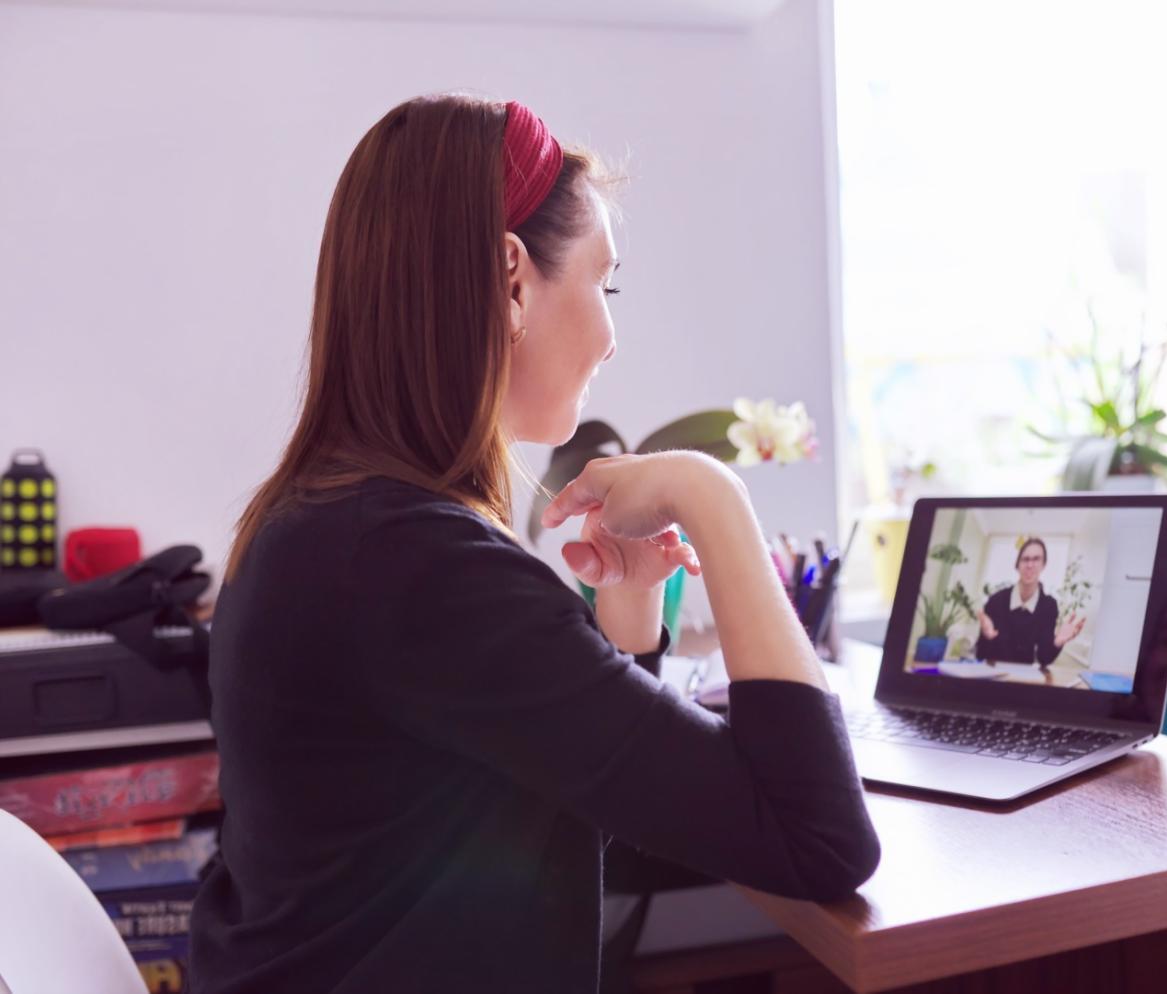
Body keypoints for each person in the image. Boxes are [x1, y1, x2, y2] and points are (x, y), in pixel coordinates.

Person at [187, 93, 879, 993]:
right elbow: (818, 840)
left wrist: (625, 620)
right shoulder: (422, 570)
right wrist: (715, 495)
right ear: (512, 280)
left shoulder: (319, 525)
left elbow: (593, 819)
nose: (612, 335)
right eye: (606, 282)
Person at [974, 537, 1085, 667]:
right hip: (993, 677)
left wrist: (1057, 642)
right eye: (1025, 559)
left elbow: (1044, 658)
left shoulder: (1048, 606)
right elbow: (980, 654)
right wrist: (986, 637)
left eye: (1036, 559)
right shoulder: (996, 600)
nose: (1030, 565)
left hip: (1024, 680)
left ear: (1044, 564)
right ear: (1017, 565)